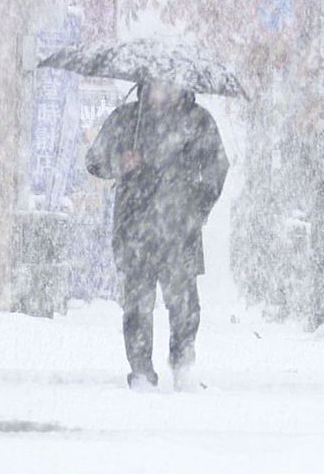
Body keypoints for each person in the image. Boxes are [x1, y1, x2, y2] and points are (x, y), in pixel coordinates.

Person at [86, 80, 229, 391]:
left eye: (170, 83)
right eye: (156, 83)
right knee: (137, 304)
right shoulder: (126, 118)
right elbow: (94, 160)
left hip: (181, 229)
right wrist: (119, 162)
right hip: (134, 226)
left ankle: (183, 365)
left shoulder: (198, 121)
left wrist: (198, 207)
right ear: (145, 84)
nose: (163, 89)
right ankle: (140, 371)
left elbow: (218, 167)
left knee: (185, 305)